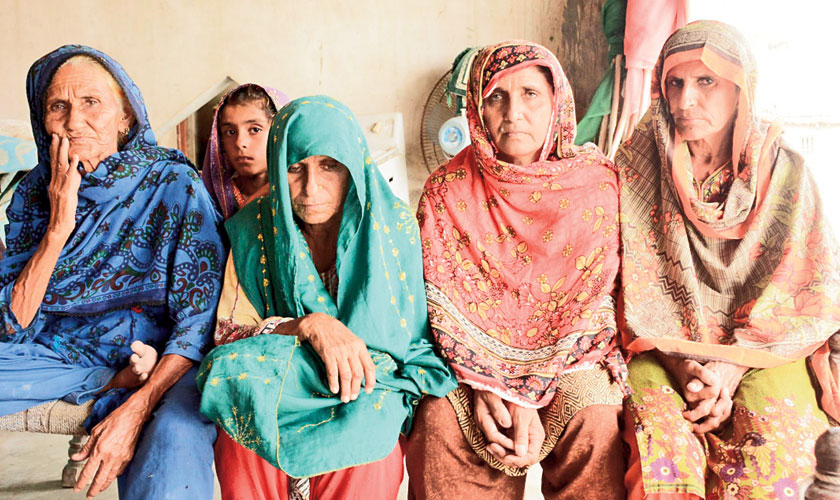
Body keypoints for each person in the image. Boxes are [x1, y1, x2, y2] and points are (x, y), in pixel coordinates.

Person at [615, 21, 840, 499]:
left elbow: (806, 288)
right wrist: (687, 370)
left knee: (780, 453)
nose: (684, 101)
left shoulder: (786, 173)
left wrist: (729, 367)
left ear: (741, 90)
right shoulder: (637, 166)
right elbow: (630, 285)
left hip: (765, 349)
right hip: (665, 348)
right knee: (663, 457)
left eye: (706, 82)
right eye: (674, 83)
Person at [197, 95, 456, 500]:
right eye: (295, 169)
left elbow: (413, 342)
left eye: (329, 166)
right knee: (238, 405)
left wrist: (353, 360)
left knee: (369, 435)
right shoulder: (253, 230)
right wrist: (308, 326)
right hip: (281, 382)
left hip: (369, 383)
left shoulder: (396, 230)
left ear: (353, 165)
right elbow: (230, 335)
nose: (310, 187)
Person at [0, 45, 225, 499]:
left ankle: (127, 384)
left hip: (155, 356)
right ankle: (109, 382)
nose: (72, 120)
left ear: (125, 118)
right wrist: (59, 224)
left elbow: (199, 321)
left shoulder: (171, 184)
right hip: (52, 356)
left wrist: (138, 406)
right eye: (57, 106)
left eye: (91, 103)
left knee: (174, 441)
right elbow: (11, 322)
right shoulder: (31, 192)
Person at [407, 40, 628, 500]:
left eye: (530, 94)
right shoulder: (446, 191)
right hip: (469, 364)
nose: (514, 112)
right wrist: (490, 386)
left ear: (557, 104)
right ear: (476, 109)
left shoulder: (596, 186)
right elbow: (438, 305)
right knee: (439, 419)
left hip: (571, 358)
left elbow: (591, 307)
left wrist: (527, 389)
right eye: (496, 97)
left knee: (596, 415)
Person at [202, 83, 289, 219]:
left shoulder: (300, 196)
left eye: (255, 129)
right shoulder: (208, 199)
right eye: (230, 132)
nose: (240, 143)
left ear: (280, 132)